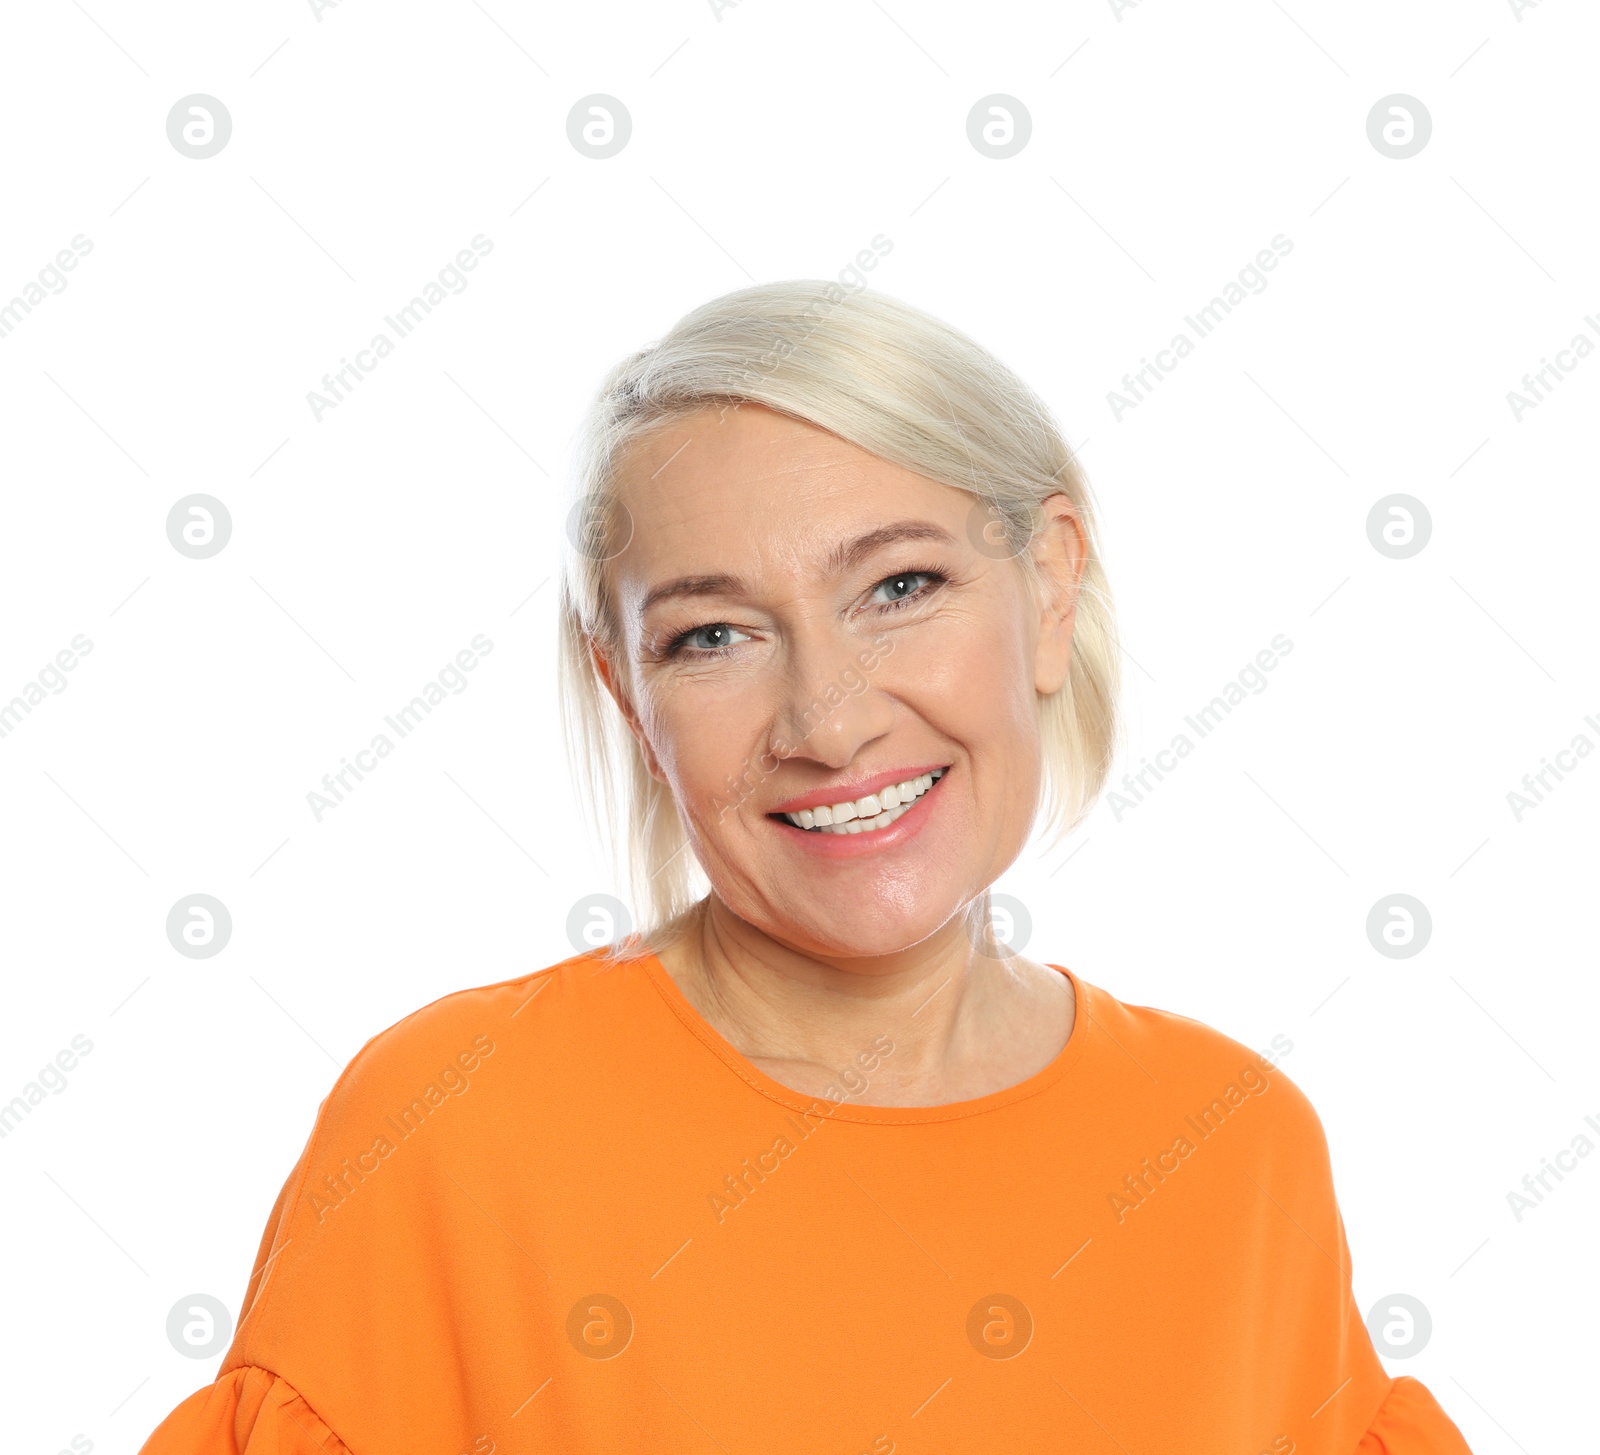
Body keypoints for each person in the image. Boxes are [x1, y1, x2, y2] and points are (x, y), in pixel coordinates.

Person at [140, 281, 1473, 1453]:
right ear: (628, 694)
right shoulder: (446, 1137)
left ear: (1052, 589)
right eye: (714, 636)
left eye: (899, 587)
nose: (829, 723)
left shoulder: (1233, 1153)